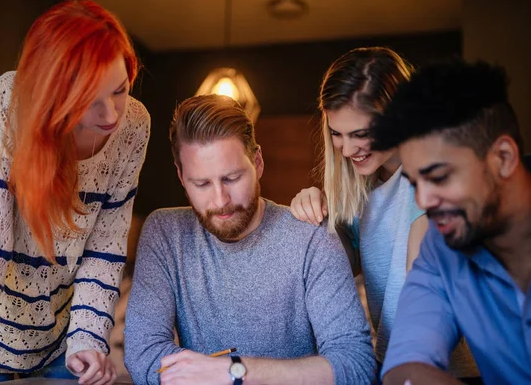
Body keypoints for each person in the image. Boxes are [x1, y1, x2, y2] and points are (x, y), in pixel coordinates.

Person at [0, 0, 150, 385]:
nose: (112, 115)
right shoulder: (8, 103)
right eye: (89, 102)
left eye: (119, 90)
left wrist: (88, 339)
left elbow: (105, 246)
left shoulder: (134, 125)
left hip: (54, 332)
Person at [124, 94, 376, 385]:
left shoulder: (312, 236)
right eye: (202, 183)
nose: (221, 200)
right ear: (181, 177)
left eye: (231, 178)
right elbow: (144, 354)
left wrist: (235, 372)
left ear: (257, 162)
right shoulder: (165, 234)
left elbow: (356, 365)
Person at [288, 47, 478, 380]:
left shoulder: (435, 177)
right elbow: (342, 271)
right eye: (337, 134)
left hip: (444, 370)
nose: (346, 150)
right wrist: (319, 217)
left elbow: (426, 290)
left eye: (361, 134)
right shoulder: (362, 186)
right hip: (392, 363)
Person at [370, 60, 531, 384]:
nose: (423, 201)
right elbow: (405, 367)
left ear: (503, 158)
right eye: (415, 183)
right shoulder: (439, 247)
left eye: (440, 177)